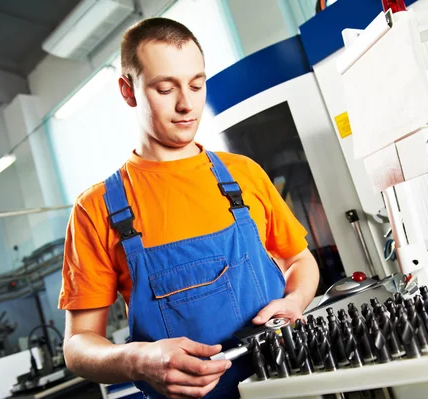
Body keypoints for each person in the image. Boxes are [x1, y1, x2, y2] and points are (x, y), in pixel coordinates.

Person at [58, 17, 320, 399]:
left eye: (196, 85)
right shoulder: (95, 209)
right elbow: (78, 345)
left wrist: (294, 301)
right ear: (128, 91)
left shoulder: (243, 175)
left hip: (288, 383)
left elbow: (300, 260)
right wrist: (137, 360)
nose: (186, 104)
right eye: (165, 88)